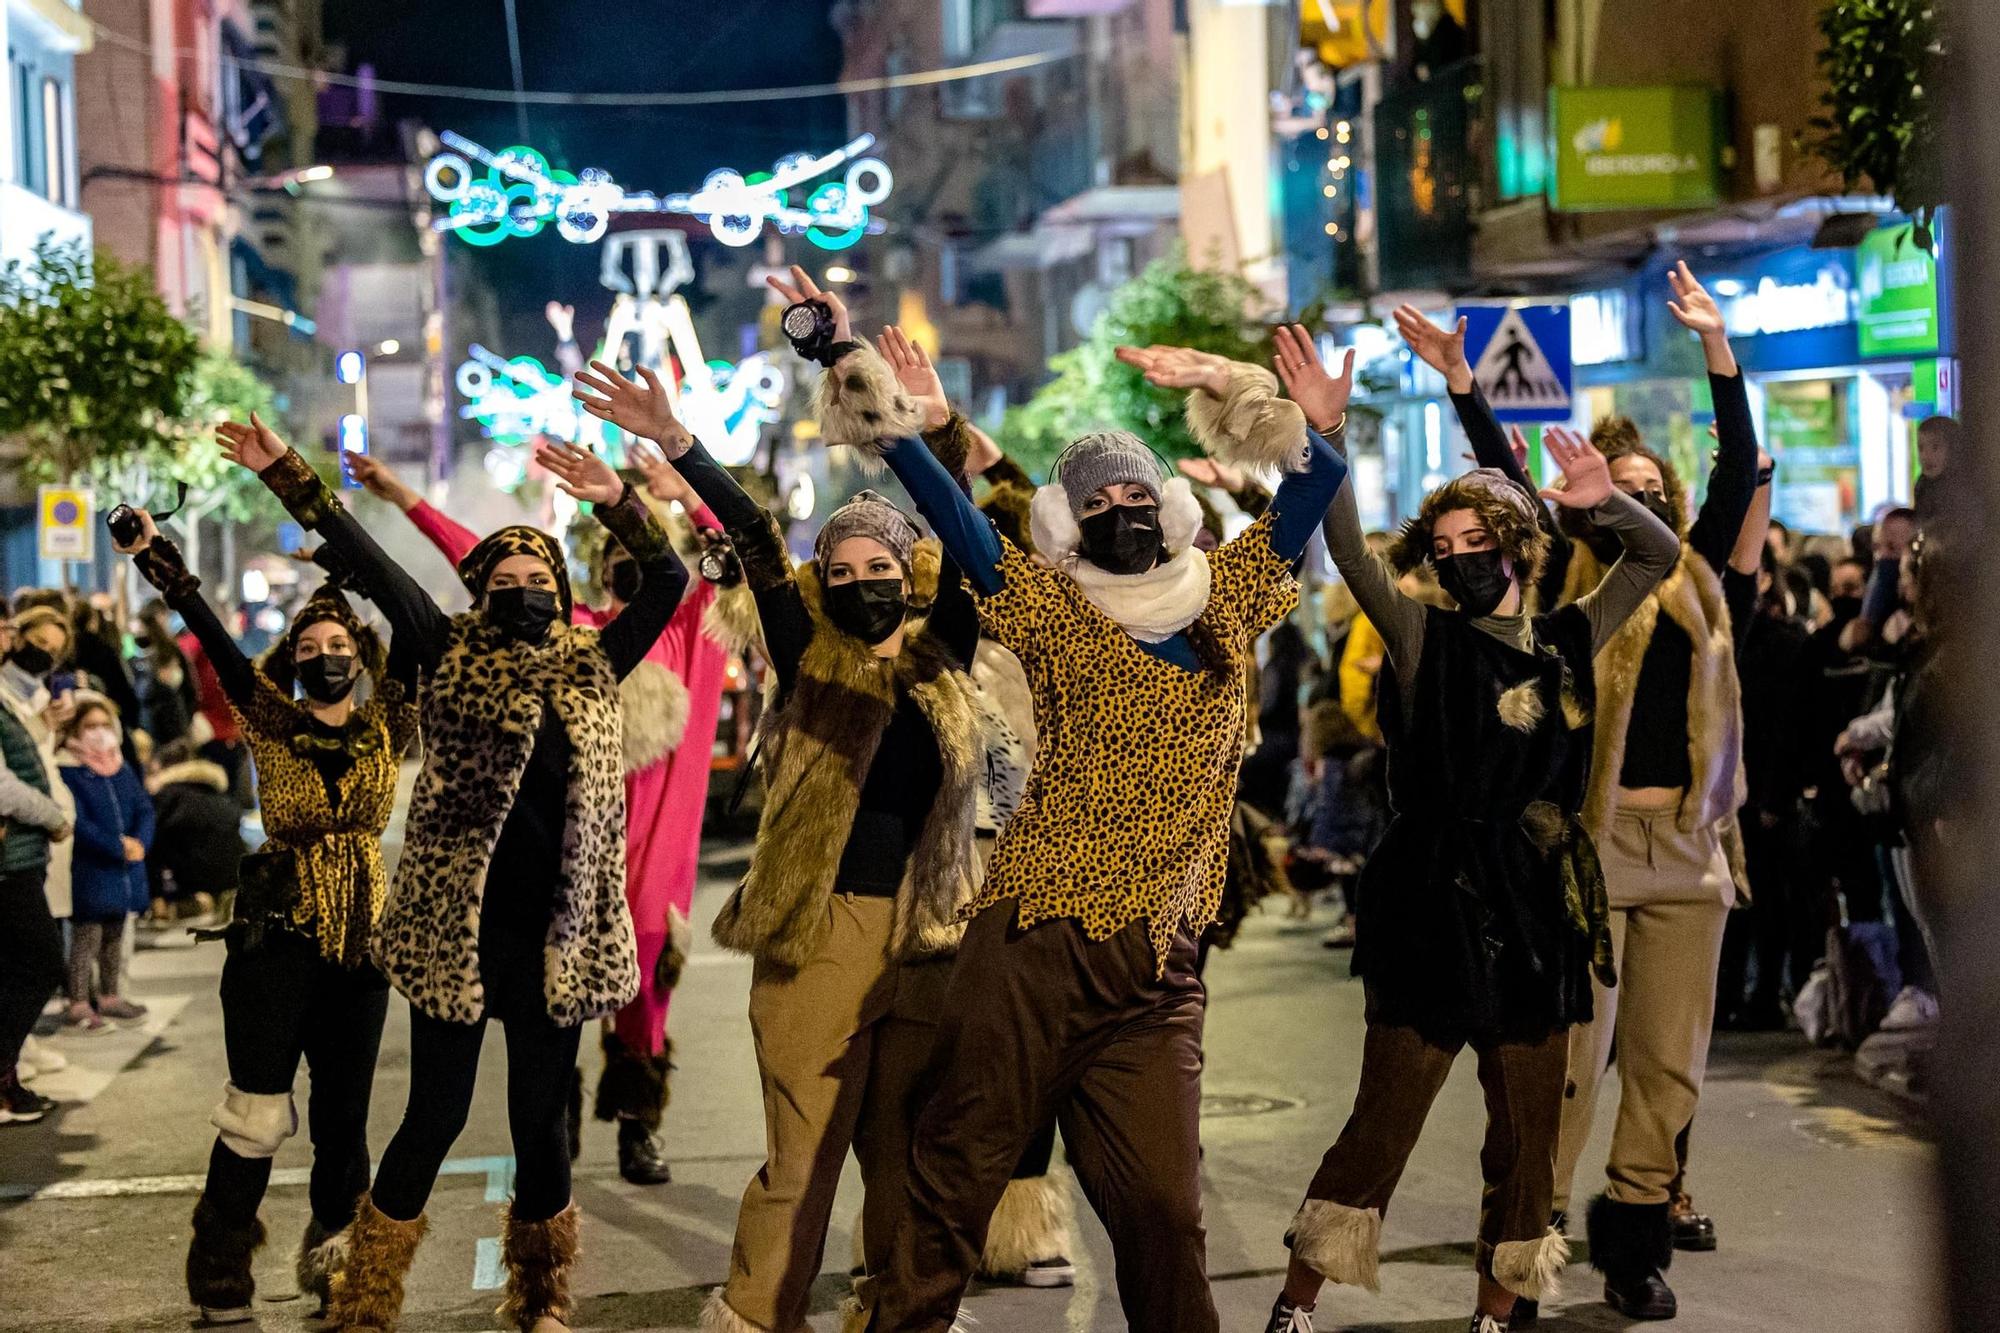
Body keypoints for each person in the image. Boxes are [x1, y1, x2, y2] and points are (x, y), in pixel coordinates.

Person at [809, 272, 1347, 1329]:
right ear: (1069, 524)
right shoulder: (1052, 610)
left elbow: (1307, 495)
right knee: (952, 1185)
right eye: (1094, 502)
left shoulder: (1226, 597)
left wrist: (1310, 433)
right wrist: (850, 370)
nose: (1119, 510)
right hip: (1028, 950)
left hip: (1155, 971)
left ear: (1169, 504)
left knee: (1161, 1209)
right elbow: (954, 521)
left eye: (1132, 492)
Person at [217, 413, 685, 1333]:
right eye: (504, 582)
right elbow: (372, 565)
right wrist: (291, 477)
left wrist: (618, 500)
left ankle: (543, 1296)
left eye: (537, 580)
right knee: (432, 1115)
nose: (523, 592)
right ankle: (366, 1296)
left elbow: (667, 578)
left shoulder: (594, 663)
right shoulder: (443, 651)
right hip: (457, 937)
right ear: (478, 593)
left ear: (559, 589)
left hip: (556, 941)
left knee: (540, 1126)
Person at [1268, 317, 1680, 1331]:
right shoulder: (1419, 632)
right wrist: (1324, 439)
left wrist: (1606, 500)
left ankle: (1497, 1316)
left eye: (1477, 543)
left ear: (1518, 547)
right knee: (1382, 1123)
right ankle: (1295, 1305)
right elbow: (1352, 553)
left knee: (1527, 1138)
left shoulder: (1573, 633)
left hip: (1536, 897)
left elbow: (1656, 550)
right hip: (1428, 892)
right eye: (1444, 547)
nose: (1459, 560)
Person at [574, 350, 986, 1333]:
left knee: (906, 1150)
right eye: (839, 571)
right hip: (819, 931)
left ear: (908, 575)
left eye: (877, 569)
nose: (858, 583)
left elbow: (972, 540)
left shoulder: (949, 647)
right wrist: (677, 444)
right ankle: (760, 1314)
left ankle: (903, 1312)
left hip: (932, 934)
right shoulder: (808, 652)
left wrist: (929, 430)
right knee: (801, 1155)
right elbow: (756, 541)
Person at [1406, 262, 1767, 1320]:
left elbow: (1740, 464)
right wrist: (1465, 389)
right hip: (1586, 851)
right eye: (1621, 489)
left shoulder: (1698, 577)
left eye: (1652, 492)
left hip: (1689, 853)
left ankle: (1634, 1240)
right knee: (1567, 1063)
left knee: (1666, 1070)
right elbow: (1496, 485)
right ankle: (1528, 1241)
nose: (1639, 501)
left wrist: (1716, 346)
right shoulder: (1572, 590)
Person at [347, 445, 730, 1186]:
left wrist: (665, 495)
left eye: (635, 547)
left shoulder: (687, 630)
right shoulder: (576, 635)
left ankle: (636, 1123)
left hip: (658, 853)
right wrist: (402, 498)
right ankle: (563, 1119)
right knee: (481, 1103)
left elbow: (723, 558)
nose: (624, 558)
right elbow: (485, 563)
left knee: (645, 992)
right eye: (612, 547)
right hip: (538, 875)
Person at [115, 510, 420, 1322]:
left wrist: (357, 570)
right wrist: (161, 562)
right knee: (254, 1111)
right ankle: (220, 1268)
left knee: (344, 1120)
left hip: (362, 944)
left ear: (362, 655)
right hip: (274, 939)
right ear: (293, 658)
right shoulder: (268, 719)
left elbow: (420, 625)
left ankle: (334, 1262)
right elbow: (211, 633)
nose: (326, 655)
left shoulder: (389, 721)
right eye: (311, 646)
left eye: (339, 644)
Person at [0, 607, 73, 1125]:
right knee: (40, 961)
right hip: (10, 856)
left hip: (20, 852)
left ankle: (8, 1076)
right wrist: (52, 817)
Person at [55, 692, 154, 1027]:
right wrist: (116, 845)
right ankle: (78, 1001)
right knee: (86, 939)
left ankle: (110, 996)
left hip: (125, 872)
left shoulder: (120, 768)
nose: (98, 732)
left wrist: (140, 842)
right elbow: (78, 822)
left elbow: (144, 807)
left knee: (114, 936)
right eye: (89, 725)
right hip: (92, 870)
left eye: (103, 724)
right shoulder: (69, 771)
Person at [144, 738, 242, 924]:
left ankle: (169, 905)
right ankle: (218, 899)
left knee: (150, 844)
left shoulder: (168, 795)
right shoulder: (221, 795)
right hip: (231, 872)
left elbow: (153, 842)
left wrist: (157, 893)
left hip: (189, 875)